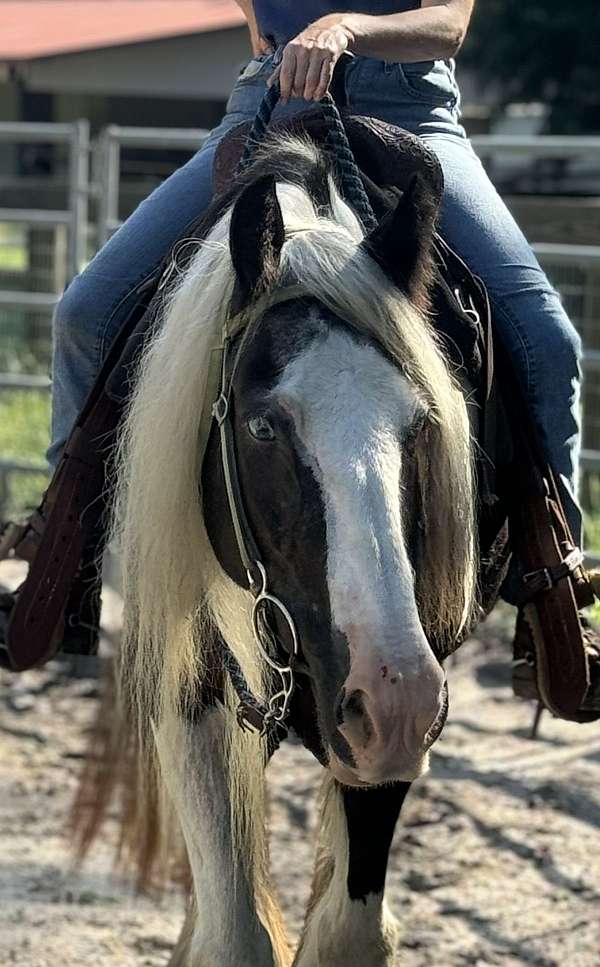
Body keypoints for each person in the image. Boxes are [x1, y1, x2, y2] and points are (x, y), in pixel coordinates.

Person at [2, 1, 598, 715]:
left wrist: (346, 28)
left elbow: (448, 23)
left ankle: (550, 595)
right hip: (269, 97)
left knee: (546, 340)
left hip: (411, 110)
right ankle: (65, 558)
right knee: (85, 315)